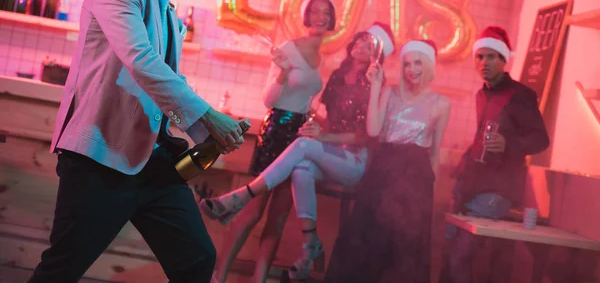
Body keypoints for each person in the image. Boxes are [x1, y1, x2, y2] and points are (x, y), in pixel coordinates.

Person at [29, 0, 244, 283]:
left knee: (196, 258)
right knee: (61, 270)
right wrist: (209, 116)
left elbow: (169, 85)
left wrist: (208, 135)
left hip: (153, 164)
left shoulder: (167, 7)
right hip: (100, 158)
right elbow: (141, 62)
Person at [201, 23, 396, 280]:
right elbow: (329, 119)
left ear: (377, 55)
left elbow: (365, 136)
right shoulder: (338, 75)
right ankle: (310, 244)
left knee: (303, 149)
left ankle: (240, 196)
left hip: (353, 160)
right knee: (301, 167)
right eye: (361, 40)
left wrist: (324, 136)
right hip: (327, 152)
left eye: (370, 45)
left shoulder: (375, 82)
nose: (361, 47)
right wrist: (313, 122)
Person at [211, 0, 335, 283]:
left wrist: (319, 121)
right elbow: (268, 99)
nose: (320, 16)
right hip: (277, 128)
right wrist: (283, 71)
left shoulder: (324, 58)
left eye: (326, 12)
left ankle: (259, 280)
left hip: (300, 136)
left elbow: (307, 100)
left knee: (278, 218)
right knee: (253, 210)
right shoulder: (289, 49)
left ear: (332, 19)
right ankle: (218, 276)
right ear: (306, 17)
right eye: (315, 11)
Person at [325, 39, 451, 283]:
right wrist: (375, 88)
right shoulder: (391, 91)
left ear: (429, 65)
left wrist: (428, 196)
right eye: (406, 64)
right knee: (364, 242)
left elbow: (435, 155)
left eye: (418, 63)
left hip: (415, 178)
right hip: (383, 171)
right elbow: (373, 130)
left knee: (405, 251)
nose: (412, 70)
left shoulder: (441, 104)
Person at [439, 26, 550, 283]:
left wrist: (509, 144)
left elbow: (541, 140)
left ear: (503, 59)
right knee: (450, 250)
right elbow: (481, 138)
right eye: (479, 57)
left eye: (490, 56)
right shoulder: (482, 93)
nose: (484, 62)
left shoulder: (521, 95)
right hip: (471, 182)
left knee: (461, 252)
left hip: (498, 190)